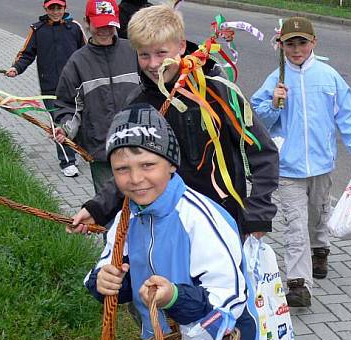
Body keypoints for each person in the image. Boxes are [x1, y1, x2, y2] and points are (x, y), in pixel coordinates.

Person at [69, 4, 279, 241]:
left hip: (221, 223)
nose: (152, 64)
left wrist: (259, 210)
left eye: (161, 53)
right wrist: (97, 208)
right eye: (144, 55)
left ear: (181, 46)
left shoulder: (218, 92)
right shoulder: (137, 103)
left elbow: (263, 153)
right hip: (164, 228)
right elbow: (130, 167)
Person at [83, 104, 259, 340]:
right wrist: (104, 281)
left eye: (148, 165)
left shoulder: (198, 217)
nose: (135, 179)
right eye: (122, 169)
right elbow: (110, 263)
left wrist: (175, 297)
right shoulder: (127, 217)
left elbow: (229, 298)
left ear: (172, 165)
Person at [250, 17, 351, 307]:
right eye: (290, 43)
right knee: (295, 224)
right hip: (288, 167)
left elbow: (346, 116)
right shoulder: (275, 79)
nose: (297, 48)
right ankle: (298, 283)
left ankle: (320, 250)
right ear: (281, 45)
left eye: (302, 42)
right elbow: (256, 119)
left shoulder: (328, 77)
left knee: (318, 215)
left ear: (313, 42)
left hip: (321, 164)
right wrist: (273, 104)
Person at [52, 0, 140, 192]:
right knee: (108, 210)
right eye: (99, 25)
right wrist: (65, 130)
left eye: (110, 25)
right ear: (87, 22)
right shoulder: (77, 62)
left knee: (141, 205)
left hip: (138, 147)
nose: (105, 31)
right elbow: (67, 105)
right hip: (101, 151)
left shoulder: (133, 52)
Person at [6, 0, 86, 178]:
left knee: (77, 119)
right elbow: (26, 53)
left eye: (59, 8)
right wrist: (16, 68)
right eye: (52, 8)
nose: (56, 11)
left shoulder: (74, 28)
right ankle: (67, 161)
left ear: (65, 8)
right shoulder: (37, 29)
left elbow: (86, 53)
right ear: (45, 8)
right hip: (50, 86)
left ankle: (76, 149)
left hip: (75, 85)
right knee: (58, 123)